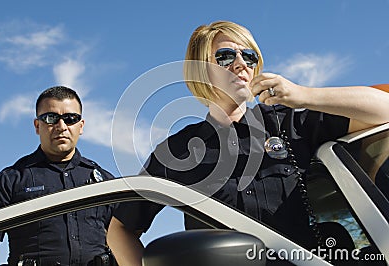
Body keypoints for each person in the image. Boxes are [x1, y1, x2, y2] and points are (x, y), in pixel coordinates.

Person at [107, 21, 389, 265]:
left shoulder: (290, 123)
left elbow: (384, 109)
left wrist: (303, 95)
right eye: (226, 56)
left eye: (249, 56)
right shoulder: (176, 151)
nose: (241, 64)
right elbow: (120, 230)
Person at [0, 86, 116, 266]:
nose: (61, 126)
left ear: (81, 126)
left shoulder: (104, 182)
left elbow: (125, 239)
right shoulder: (11, 180)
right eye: (51, 118)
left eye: (71, 119)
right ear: (37, 126)